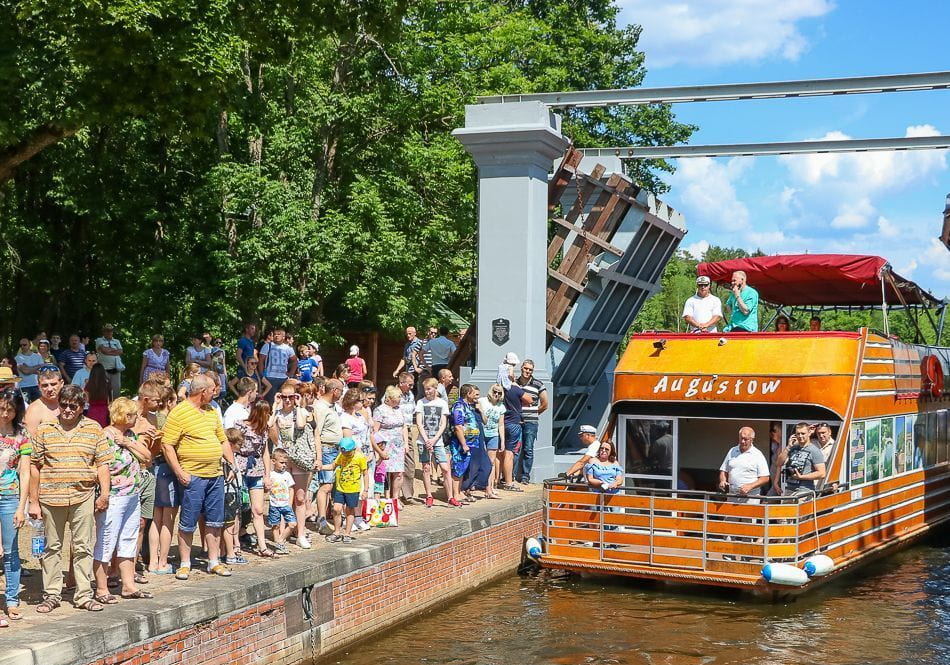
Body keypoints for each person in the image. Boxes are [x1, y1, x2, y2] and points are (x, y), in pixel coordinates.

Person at [28, 385, 111, 613]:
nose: (66, 410)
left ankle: (84, 594)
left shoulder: (94, 429)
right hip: (50, 497)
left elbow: (103, 464)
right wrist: (33, 501)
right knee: (52, 547)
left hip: (83, 495)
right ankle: (52, 594)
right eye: (63, 405)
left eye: (72, 406)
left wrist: (104, 494)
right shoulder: (45, 429)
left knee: (83, 547)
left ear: (81, 407)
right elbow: (34, 466)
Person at [161, 374, 236, 580]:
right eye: (213, 389)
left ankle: (214, 561)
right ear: (203, 392)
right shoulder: (180, 413)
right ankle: (185, 563)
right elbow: (167, 444)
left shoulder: (212, 411)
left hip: (216, 474)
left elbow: (222, 440)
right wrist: (180, 472)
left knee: (215, 521)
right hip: (193, 476)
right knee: (188, 521)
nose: (216, 392)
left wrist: (232, 465)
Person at [93, 398, 153, 604]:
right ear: (123, 415)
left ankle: (128, 585)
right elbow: (106, 466)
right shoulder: (105, 436)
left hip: (132, 494)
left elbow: (147, 457)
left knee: (128, 539)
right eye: (132, 414)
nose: (136, 418)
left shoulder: (129, 435)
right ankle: (101, 588)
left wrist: (129, 443)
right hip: (115, 496)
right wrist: (105, 494)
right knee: (107, 540)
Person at [0, 389, 30, 621]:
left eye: (10, 410)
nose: (5, 414)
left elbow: (26, 472)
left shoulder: (22, 434)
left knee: (11, 552)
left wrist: (23, 506)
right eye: (1, 409)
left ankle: (11, 599)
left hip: (11, 496)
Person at [233, 400, 274, 557]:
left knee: (258, 509)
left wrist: (267, 475)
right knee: (237, 508)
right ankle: (235, 544)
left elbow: (265, 452)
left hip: (256, 469)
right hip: (241, 467)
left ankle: (262, 545)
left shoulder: (264, 430)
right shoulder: (240, 425)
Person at [312, 379, 344, 538]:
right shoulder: (320, 407)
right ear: (335, 391)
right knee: (326, 486)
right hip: (326, 448)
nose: (341, 394)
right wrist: (319, 456)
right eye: (341, 391)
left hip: (335, 449)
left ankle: (330, 516)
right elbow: (317, 431)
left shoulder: (332, 407)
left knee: (332, 485)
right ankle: (321, 519)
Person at [415, 377, 454, 507]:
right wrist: (426, 440)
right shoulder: (421, 402)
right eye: (425, 389)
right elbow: (419, 423)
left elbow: (443, 423)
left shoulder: (442, 403)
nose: (427, 392)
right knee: (426, 468)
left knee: (445, 468)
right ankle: (429, 495)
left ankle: (451, 496)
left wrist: (434, 439)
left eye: (429, 389)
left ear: (435, 388)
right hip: (424, 440)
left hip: (437, 440)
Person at [322, 437, 367, 544]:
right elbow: (333, 466)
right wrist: (321, 467)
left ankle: (347, 533)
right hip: (340, 487)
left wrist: (365, 490)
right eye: (343, 452)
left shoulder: (360, 458)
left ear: (353, 449)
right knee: (337, 509)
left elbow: (365, 474)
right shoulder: (341, 455)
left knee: (349, 510)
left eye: (347, 452)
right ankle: (336, 532)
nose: (345, 454)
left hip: (353, 488)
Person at [455, 384, 491, 502]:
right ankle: (465, 489)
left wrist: (480, 409)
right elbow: (458, 426)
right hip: (468, 442)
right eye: (475, 394)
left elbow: (485, 421)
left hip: (478, 440)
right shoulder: (460, 406)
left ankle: (471, 487)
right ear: (469, 394)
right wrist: (464, 443)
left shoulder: (474, 407)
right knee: (470, 467)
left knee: (486, 466)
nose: (477, 397)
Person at [515, 359, 547, 485]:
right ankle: (511, 475)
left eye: (530, 369)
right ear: (521, 368)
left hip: (531, 422)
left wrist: (534, 413)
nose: (527, 371)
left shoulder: (538, 384)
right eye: (526, 368)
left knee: (528, 449)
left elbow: (545, 404)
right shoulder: (515, 383)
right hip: (517, 421)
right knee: (515, 449)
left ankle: (525, 476)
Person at [717, 427, 770, 502]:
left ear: (752, 439)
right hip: (732, 496)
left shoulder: (758, 455)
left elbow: (765, 478)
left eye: (746, 439)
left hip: (750, 498)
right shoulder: (732, 451)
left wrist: (750, 486)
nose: (742, 441)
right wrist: (723, 481)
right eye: (741, 438)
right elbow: (723, 470)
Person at [373, 385, 408, 502]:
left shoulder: (400, 409)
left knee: (398, 472)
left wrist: (406, 443)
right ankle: (383, 497)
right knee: (384, 472)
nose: (399, 399)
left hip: (398, 445)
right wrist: (377, 448)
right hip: (385, 445)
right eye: (398, 397)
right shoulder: (380, 410)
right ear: (391, 398)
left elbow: (404, 427)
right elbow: (375, 430)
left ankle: (395, 498)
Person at [773, 422, 826, 496]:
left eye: (803, 433)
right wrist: (788, 447)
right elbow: (779, 463)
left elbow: (822, 473)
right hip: (789, 489)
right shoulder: (792, 448)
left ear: (809, 433)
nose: (800, 436)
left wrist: (801, 477)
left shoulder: (814, 450)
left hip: (805, 491)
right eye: (798, 434)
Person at [500, 377, 531, 491]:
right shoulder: (514, 388)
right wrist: (518, 387)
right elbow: (529, 399)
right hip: (514, 423)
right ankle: (509, 482)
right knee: (510, 454)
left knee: (500, 454)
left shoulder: (499, 388)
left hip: (503, 423)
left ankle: (495, 480)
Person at [476, 383, 505, 498]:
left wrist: (502, 440)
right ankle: (482, 486)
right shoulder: (482, 401)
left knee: (491, 463)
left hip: (493, 435)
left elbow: (501, 424)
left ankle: (490, 488)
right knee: (481, 461)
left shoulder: (501, 406)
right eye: (495, 391)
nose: (496, 394)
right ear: (490, 391)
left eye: (499, 392)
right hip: (482, 434)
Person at [267, 450, 296, 555]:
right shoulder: (270, 475)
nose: (284, 465)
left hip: (285, 504)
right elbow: (267, 489)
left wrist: (290, 503)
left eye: (285, 463)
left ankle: (280, 540)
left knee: (292, 524)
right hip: (274, 504)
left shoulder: (287, 475)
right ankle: (278, 545)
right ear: (274, 461)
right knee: (275, 525)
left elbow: (291, 489)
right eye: (281, 463)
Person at [396, 372, 418, 503]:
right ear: (401, 383)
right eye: (409, 384)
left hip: (408, 430)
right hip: (395, 431)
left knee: (410, 463)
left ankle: (408, 495)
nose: (411, 387)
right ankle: (394, 496)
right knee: (395, 465)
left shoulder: (410, 395)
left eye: (412, 385)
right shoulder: (393, 394)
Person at [260, 328, 296, 403]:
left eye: (279, 334)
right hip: (270, 378)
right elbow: (261, 361)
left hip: (283, 378)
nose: (276, 336)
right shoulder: (267, 346)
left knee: (283, 400)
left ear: (283, 336)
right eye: (275, 334)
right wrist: (262, 375)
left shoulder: (288, 348)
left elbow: (295, 361)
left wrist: (291, 373)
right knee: (270, 401)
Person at [24, 367, 63, 435]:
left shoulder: (70, 404)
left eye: (53, 384)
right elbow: (29, 441)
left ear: (61, 383)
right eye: (45, 385)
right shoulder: (34, 409)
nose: (50, 389)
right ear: (39, 386)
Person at [95, 324, 125, 398]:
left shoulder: (116, 341)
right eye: (107, 331)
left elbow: (121, 351)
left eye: (111, 331)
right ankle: (104, 405)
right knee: (103, 388)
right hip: (104, 369)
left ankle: (116, 406)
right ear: (103, 332)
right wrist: (115, 351)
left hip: (116, 369)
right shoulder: (99, 340)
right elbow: (104, 351)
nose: (109, 332)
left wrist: (109, 351)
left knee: (116, 389)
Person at [14, 338, 43, 402]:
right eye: (21, 345)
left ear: (30, 345)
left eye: (24, 345)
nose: (22, 347)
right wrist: (39, 366)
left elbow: (42, 372)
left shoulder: (38, 356)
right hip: (23, 387)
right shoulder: (17, 358)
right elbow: (25, 372)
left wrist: (28, 368)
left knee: (38, 406)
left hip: (37, 386)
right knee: (25, 408)